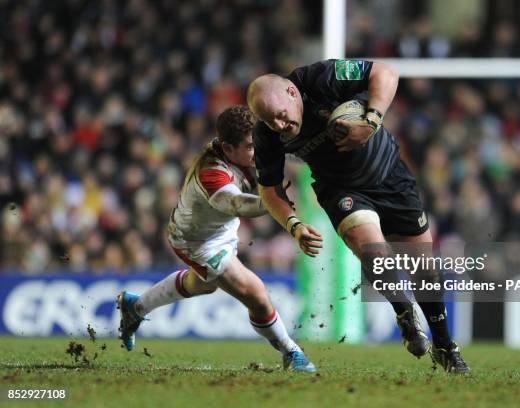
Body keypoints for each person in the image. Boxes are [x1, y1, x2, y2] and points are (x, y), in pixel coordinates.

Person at [247, 59, 470, 373]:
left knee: (424, 271)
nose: (280, 126)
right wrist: (293, 224)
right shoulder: (267, 134)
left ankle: (445, 346)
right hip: (341, 189)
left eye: (281, 116)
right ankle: (403, 309)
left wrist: (372, 120)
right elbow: (269, 189)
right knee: (371, 249)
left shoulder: (320, 79)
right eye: (271, 122)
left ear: (292, 92)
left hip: (390, 175)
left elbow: (385, 72)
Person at [116, 106, 316, 373]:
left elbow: (284, 149)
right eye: (249, 146)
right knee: (255, 294)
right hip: (197, 240)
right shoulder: (211, 171)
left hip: (220, 228)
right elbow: (234, 203)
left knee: (203, 284)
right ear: (228, 148)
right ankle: (292, 352)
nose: (255, 150)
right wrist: (271, 203)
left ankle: (136, 306)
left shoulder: (242, 148)